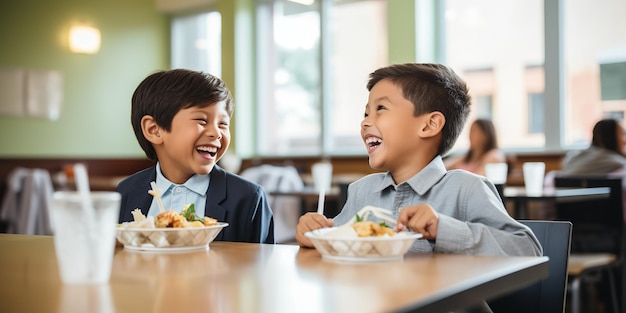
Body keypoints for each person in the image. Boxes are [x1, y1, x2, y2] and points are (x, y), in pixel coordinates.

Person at [295, 63, 541, 257]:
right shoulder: (362, 191)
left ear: (429, 125)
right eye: (366, 113)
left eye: (381, 109)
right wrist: (314, 233)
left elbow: (527, 249)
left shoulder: (465, 189)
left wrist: (443, 229)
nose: (365, 122)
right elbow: (334, 239)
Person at [116, 69, 274, 244]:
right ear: (154, 130)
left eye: (223, 123)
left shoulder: (248, 198)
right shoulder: (127, 192)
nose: (216, 133)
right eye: (202, 120)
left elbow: (261, 266)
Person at [559, 118, 626, 175]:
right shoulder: (615, 162)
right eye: (621, 134)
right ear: (610, 138)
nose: (624, 141)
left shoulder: (573, 159)